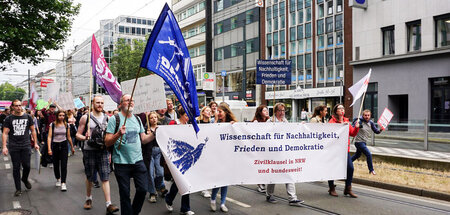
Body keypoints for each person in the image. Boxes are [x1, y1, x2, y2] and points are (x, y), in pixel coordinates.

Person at [105, 94, 155, 215]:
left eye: (132, 100)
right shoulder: (114, 119)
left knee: (143, 190)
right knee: (125, 194)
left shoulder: (137, 119)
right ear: (121, 104)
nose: (130, 102)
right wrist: (118, 134)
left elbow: (143, 139)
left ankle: (133, 212)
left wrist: (154, 134)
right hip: (121, 163)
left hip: (138, 161)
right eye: (127, 100)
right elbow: (107, 142)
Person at [76, 96, 119, 213]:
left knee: (105, 177)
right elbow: (77, 135)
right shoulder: (86, 118)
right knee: (90, 177)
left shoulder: (108, 119)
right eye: (97, 103)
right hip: (89, 151)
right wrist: (85, 137)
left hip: (103, 150)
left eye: (101, 103)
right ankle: (88, 198)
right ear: (92, 104)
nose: (100, 105)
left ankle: (108, 204)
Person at [265, 103, 304, 206]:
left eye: (283, 111)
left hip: (284, 152)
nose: (282, 113)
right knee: (273, 174)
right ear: (275, 111)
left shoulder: (285, 121)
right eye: (280, 111)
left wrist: (301, 126)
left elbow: (291, 131)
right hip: (273, 153)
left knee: (289, 173)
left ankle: (292, 198)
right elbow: (264, 135)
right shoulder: (270, 121)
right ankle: (269, 194)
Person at [2, 100, 39, 196]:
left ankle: (24, 179)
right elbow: (5, 133)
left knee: (27, 165)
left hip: (26, 145)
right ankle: (18, 188)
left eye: (20, 105)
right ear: (12, 107)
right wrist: (4, 146)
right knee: (16, 167)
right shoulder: (9, 119)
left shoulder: (27, 117)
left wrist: (35, 143)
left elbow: (33, 131)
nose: (19, 107)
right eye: (16, 106)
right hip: (14, 146)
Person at [208, 103, 238, 212]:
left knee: (226, 180)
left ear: (225, 112)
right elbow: (211, 134)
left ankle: (223, 203)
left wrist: (234, 125)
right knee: (218, 179)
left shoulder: (231, 122)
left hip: (228, 155)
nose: (218, 113)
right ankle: (212, 199)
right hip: (217, 155)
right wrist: (216, 121)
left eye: (220, 111)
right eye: (217, 111)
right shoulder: (213, 121)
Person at [327, 104, 360, 198]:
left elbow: (352, 133)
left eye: (343, 108)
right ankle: (331, 187)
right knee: (332, 168)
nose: (342, 110)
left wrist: (356, 127)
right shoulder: (332, 121)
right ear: (336, 111)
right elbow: (329, 134)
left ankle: (348, 188)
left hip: (345, 149)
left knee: (350, 168)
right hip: (334, 150)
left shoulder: (346, 121)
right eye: (339, 108)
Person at [142, 111, 167, 203]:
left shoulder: (160, 128)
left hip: (159, 152)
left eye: (155, 117)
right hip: (149, 153)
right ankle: (152, 193)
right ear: (149, 120)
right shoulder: (146, 129)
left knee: (160, 173)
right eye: (151, 118)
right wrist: (148, 134)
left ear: (157, 118)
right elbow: (143, 141)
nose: (153, 119)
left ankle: (158, 186)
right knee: (150, 174)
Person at [47, 110, 75, 191]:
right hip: (55, 145)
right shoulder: (52, 125)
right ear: (57, 116)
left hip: (64, 145)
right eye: (60, 115)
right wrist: (49, 148)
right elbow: (49, 137)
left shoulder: (67, 125)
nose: (61, 117)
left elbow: (69, 137)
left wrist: (72, 147)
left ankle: (63, 182)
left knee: (64, 164)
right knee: (55, 164)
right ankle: (58, 178)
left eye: (63, 115)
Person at [352, 109, 383, 175]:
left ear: (370, 116)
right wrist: (358, 125)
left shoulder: (371, 123)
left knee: (357, 155)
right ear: (363, 115)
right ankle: (371, 170)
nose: (367, 116)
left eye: (368, 115)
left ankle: (347, 163)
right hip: (358, 142)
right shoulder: (359, 120)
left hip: (364, 142)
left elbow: (376, 131)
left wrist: (380, 130)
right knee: (368, 154)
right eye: (365, 115)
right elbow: (356, 125)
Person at [252, 105, 270, 193]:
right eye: (264, 110)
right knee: (260, 165)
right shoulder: (256, 122)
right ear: (260, 112)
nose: (266, 112)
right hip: (259, 148)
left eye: (267, 110)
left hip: (268, 147)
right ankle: (260, 183)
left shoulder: (270, 121)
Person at [196, 106, 213, 198]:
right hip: (200, 147)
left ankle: (204, 187)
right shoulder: (198, 122)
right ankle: (203, 188)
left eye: (210, 111)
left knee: (207, 167)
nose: (209, 112)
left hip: (208, 148)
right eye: (207, 110)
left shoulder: (212, 123)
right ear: (202, 112)